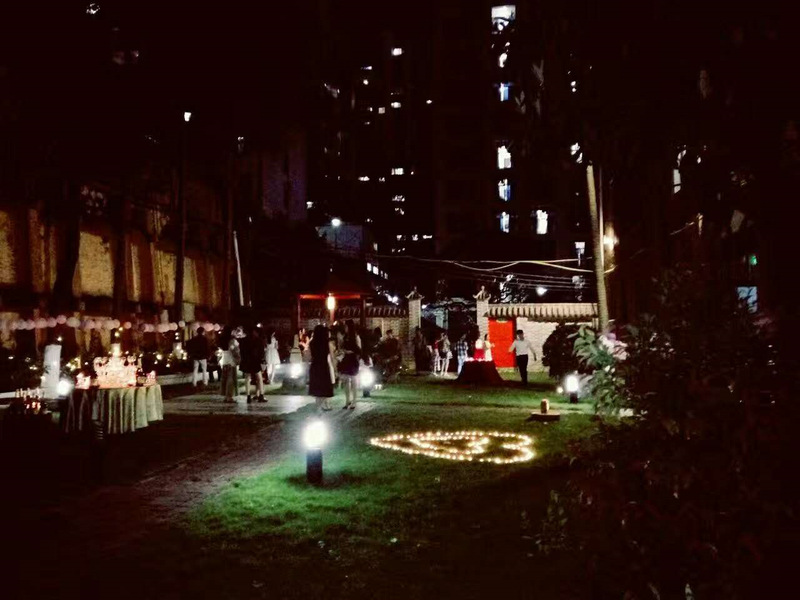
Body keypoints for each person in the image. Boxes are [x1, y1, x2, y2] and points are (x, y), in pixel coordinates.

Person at [308, 324, 335, 411]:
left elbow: (308, 357)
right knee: (324, 388)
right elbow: (332, 357)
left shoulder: (312, 343)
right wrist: (335, 368)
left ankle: (318, 406)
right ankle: (320, 406)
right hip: (323, 366)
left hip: (315, 366)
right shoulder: (327, 343)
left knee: (317, 388)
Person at [338, 320, 362, 409]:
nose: (345, 328)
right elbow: (341, 347)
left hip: (353, 360)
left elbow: (359, 350)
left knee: (353, 380)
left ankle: (354, 401)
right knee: (346, 380)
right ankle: (347, 400)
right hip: (346, 359)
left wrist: (352, 352)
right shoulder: (345, 337)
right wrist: (344, 350)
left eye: (346, 326)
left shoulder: (356, 337)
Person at [240, 327, 266, 403]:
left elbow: (241, 351)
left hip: (246, 361)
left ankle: (248, 396)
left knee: (247, 378)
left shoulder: (243, 341)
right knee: (259, 378)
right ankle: (261, 395)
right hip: (255, 361)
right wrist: (262, 360)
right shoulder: (258, 340)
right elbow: (261, 352)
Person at [219, 326, 242, 403]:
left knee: (225, 378)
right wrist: (238, 358)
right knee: (231, 378)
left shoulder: (221, 339)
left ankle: (226, 396)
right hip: (231, 359)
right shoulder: (232, 340)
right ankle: (229, 396)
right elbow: (235, 350)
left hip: (224, 359)